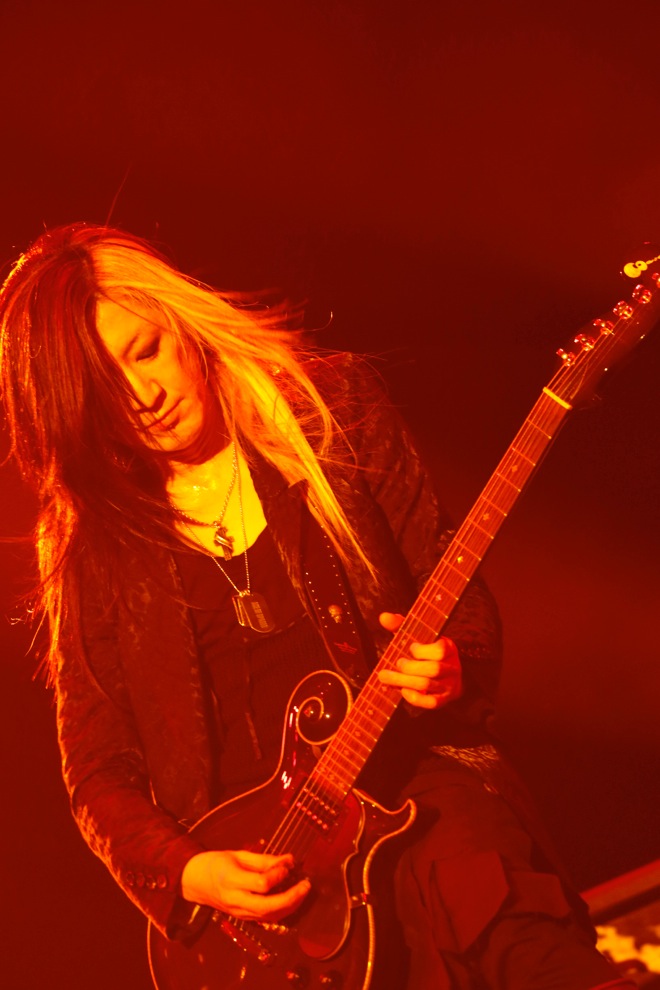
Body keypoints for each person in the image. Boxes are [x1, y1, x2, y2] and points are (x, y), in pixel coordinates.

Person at [0, 222, 633, 990]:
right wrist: (189, 871)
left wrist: (452, 665)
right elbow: (99, 772)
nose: (146, 396)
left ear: (184, 323)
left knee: (515, 937)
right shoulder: (90, 545)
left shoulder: (329, 409)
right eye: (107, 384)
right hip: (264, 894)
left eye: (146, 351)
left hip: (410, 785)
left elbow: (448, 574)